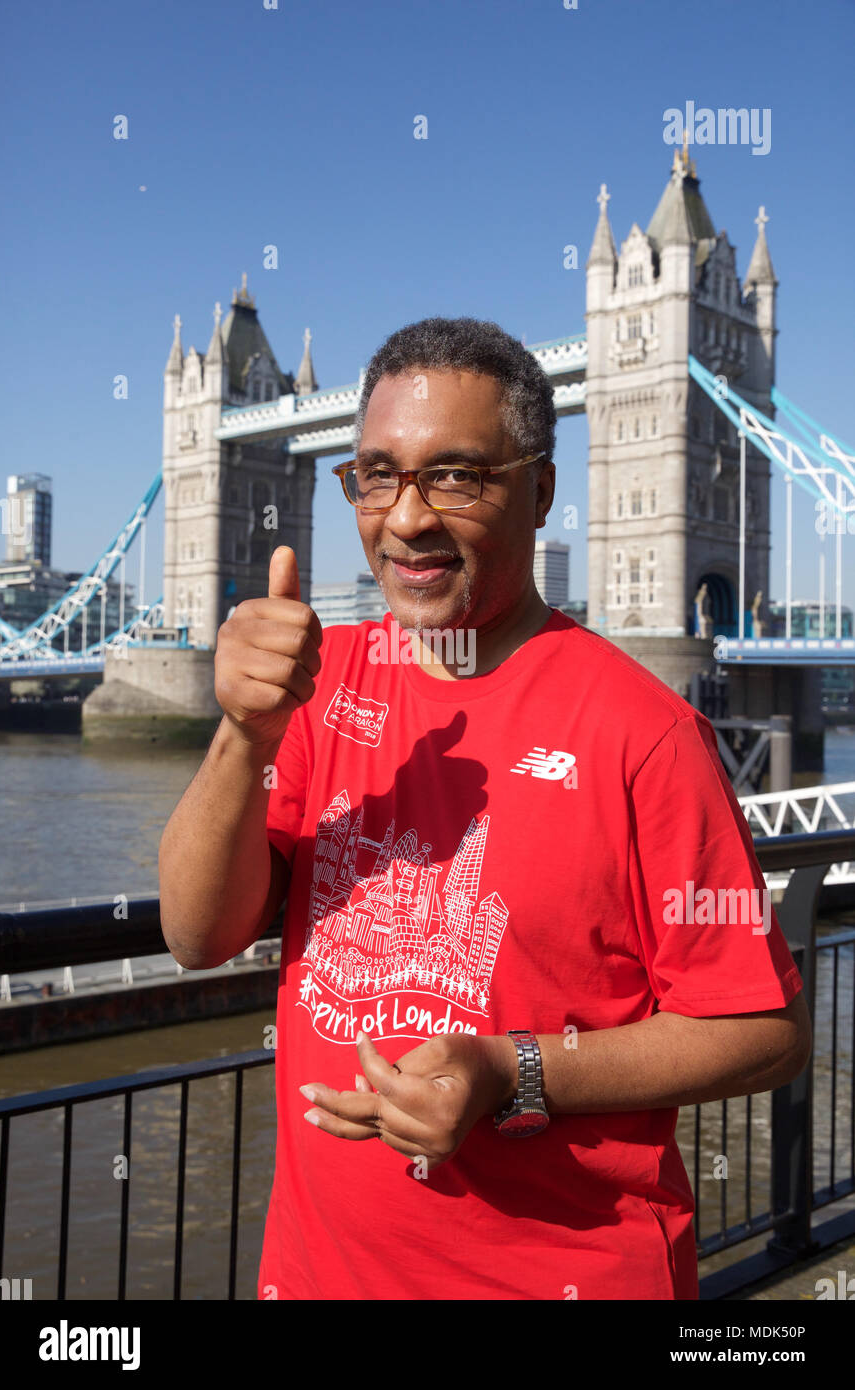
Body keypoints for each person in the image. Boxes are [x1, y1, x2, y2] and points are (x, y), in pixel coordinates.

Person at [158, 316, 811, 1301]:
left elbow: (762, 1030)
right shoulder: (318, 686)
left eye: (456, 475)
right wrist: (242, 729)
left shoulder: (645, 732)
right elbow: (195, 933)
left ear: (540, 491)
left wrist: (512, 1071)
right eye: (374, 475)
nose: (406, 517)